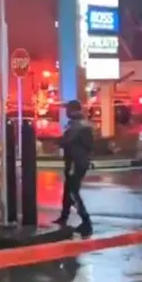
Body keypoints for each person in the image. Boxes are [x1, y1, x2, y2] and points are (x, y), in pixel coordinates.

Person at [54, 100, 94, 236]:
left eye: (67, 109)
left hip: (75, 163)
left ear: (72, 110)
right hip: (79, 161)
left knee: (73, 192)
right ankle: (64, 216)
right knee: (68, 190)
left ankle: (86, 222)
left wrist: (55, 140)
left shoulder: (77, 125)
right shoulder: (83, 123)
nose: (65, 112)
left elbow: (66, 141)